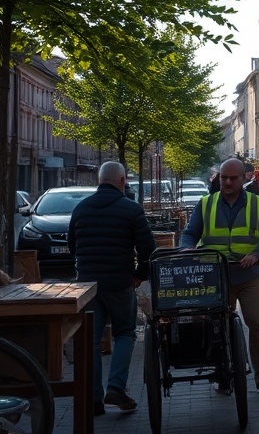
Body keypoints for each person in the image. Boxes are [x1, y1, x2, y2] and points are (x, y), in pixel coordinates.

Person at [179, 157, 259, 398]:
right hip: (216, 276)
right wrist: (187, 248)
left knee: (256, 323)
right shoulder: (206, 204)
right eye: (223, 177)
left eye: (232, 178)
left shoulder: (258, 203)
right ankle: (222, 373)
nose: (226, 182)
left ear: (244, 178)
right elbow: (190, 233)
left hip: (249, 275)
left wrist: (256, 254)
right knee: (216, 326)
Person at [68, 161, 156, 415]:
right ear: (122, 181)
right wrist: (139, 275)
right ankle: (116, 388)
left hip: (87, 285)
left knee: (92, 341)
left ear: (99, 181)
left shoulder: (81, 209)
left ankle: (93, 398)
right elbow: (147, 249)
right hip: (119, 283)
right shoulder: (131, 210)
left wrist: (84, 267)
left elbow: (73, 244)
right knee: (125, 333)